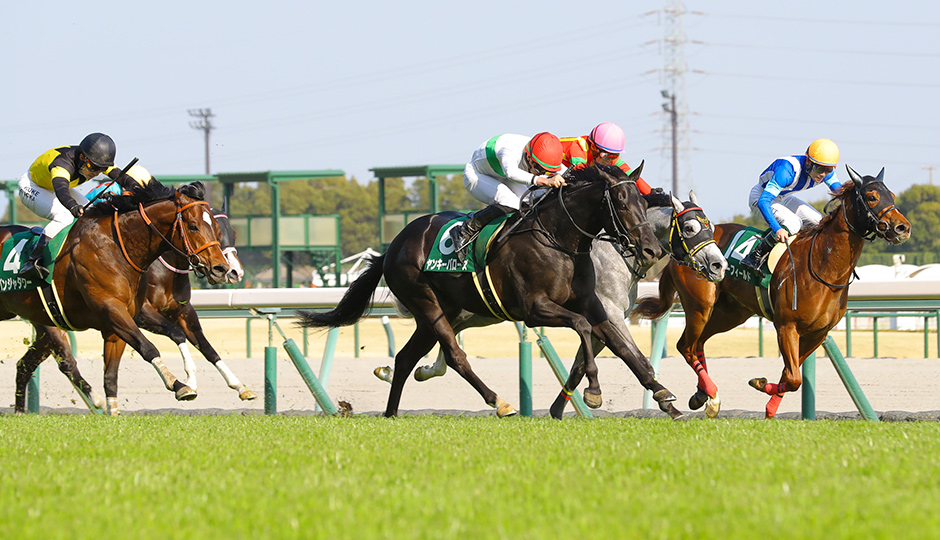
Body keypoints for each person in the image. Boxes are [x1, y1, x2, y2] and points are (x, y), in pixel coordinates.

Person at [17, 133, 143, 280]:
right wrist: (72, 206)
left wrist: (137, 188)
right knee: (64, 217)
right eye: (94, 168)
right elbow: (62, 191)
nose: (96, 173)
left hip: (54, 185)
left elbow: (123, 178)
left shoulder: (96, 159)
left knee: (91, 214)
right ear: (83, 157)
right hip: (33, 186)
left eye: (101, 169)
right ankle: (32, 260)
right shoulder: (63, 164)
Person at [450, 132, 567, 260]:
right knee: (511, 203)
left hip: (502, 175)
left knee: (530, 201)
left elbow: (566, 172)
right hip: (477, 175)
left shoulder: (541, 154)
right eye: (540, 170)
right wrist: (544, 180)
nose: (542, 173)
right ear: (529, 158)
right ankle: (465, 230)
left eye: (547, 171)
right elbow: (511, 172)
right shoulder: (509, 149)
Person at [740, 138, 842, 272]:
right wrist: (777, 229)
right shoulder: (787, 171)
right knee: (794, 223)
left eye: (828, 169)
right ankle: (756, 255)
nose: (823, 174)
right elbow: (763, 201)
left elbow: (841, 193)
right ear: (808, 161)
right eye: (819, 168)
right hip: (761, 198)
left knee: (820, 222)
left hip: (783, 197)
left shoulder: (824, 172)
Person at [560, 122, 653, 195]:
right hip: (553, 170)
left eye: (614, 156)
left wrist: (652, 193)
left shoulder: (609, 157)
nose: (609, 161)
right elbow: (583, 172)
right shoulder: (578, 147)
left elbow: (631, 176)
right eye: (606, 155)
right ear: (593, 147)